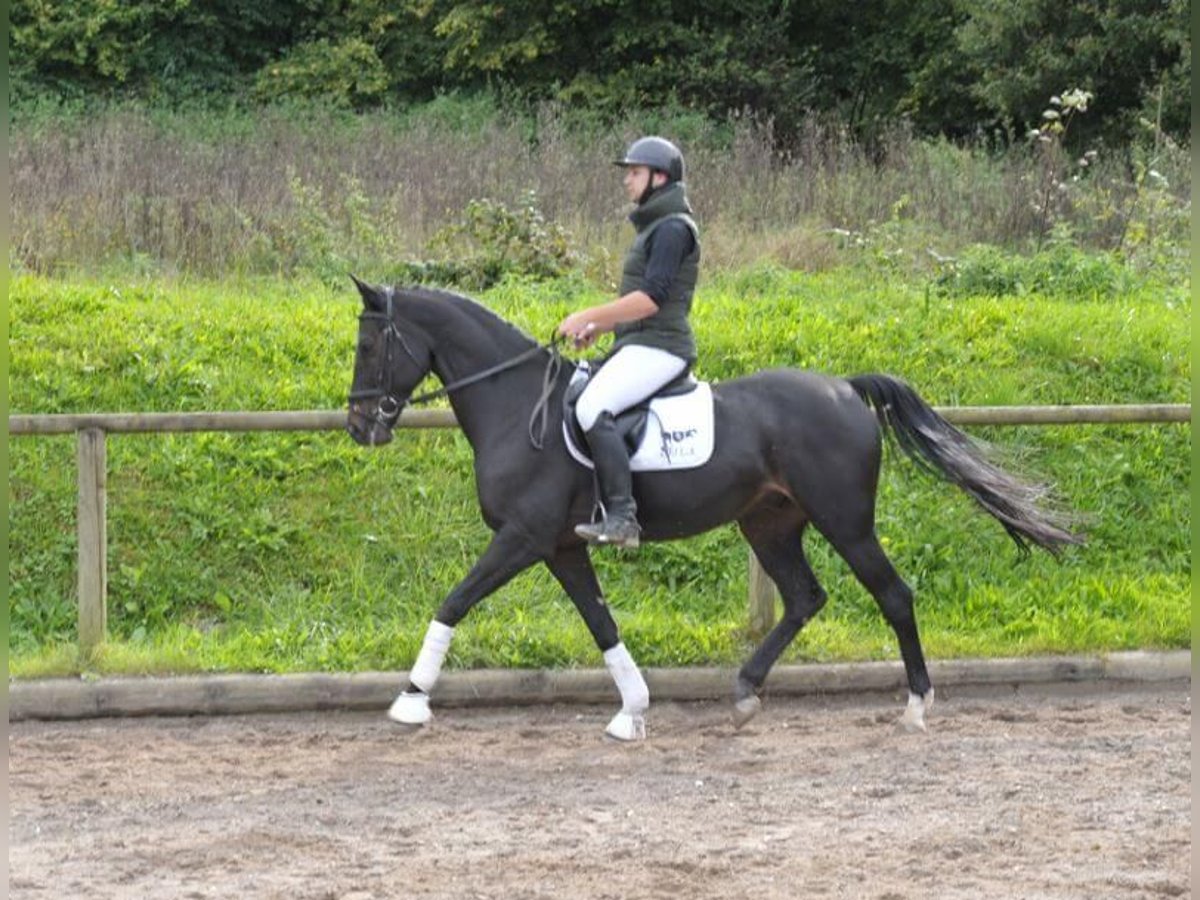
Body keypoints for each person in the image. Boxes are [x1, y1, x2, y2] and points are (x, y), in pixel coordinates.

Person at [557, 136, 701, 549]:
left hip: (663, 348)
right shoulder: (656, 226)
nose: (628, 182)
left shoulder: (673, 228)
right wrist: (602, 330)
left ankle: (622, 516)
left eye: (635, 173)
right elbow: (639, 303)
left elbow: (651, 299)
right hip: (640, 344)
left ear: (660, 177)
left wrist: (589, 315)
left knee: (592, 407)